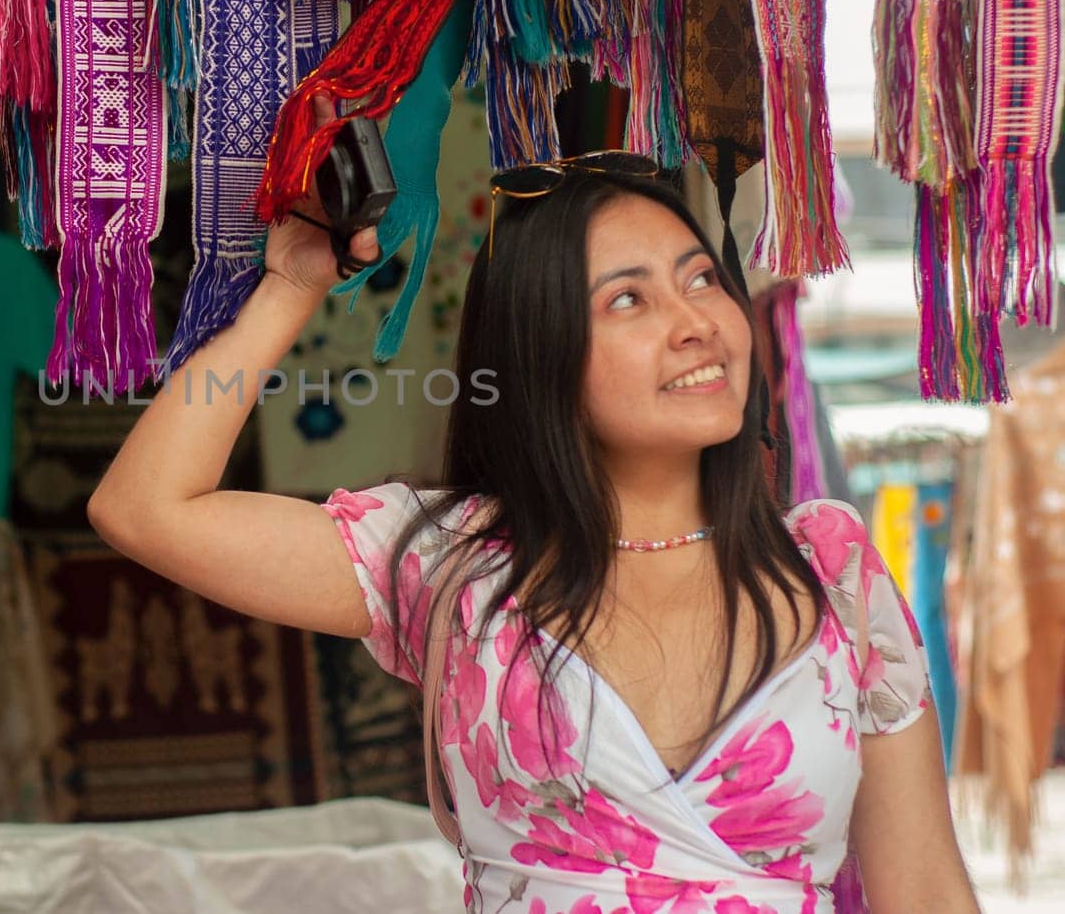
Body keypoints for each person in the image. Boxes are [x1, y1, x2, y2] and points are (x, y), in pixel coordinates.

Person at [87, 99, 977, 913]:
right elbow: (145, 506)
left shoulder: (831, 572)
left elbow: (927, 891)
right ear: (539, 355)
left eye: (702, 279)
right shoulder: (453, 569)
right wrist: (290, 290)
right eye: (629, 297)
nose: (696, 320)